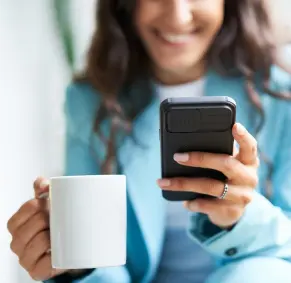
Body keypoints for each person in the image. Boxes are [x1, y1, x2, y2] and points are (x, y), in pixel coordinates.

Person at [7, 0, 291, 282]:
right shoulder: (90, 102)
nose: (178, 17)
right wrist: (75, 262)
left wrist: (241, 217)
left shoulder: (282, 97)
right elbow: (101, 259)